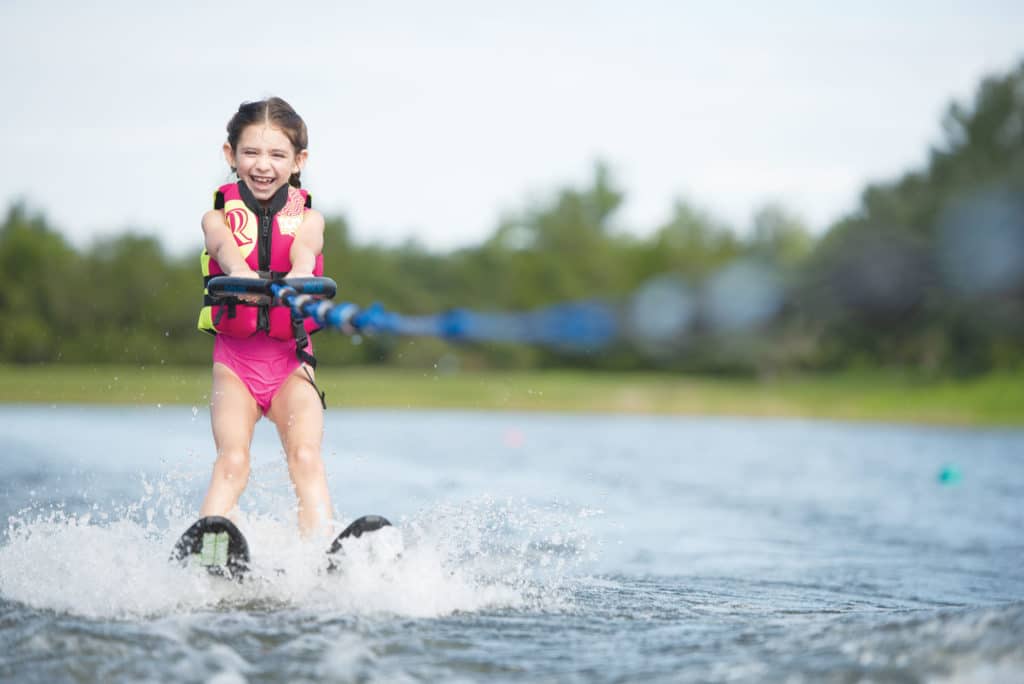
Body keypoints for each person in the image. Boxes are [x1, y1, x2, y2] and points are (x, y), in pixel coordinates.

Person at [196, 97, 333, 537]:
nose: (263, 165)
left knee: (306, 457)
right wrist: (239, 272)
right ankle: (209, 545)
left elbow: (305, 249)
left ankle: (319, 556)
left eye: (277, 155)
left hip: (291, 362)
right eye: (251, 152)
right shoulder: (216, 217)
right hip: (235, 365)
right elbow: (224, 247)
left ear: (298, 161)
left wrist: (298, 275)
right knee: (233, 460)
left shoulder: (309, 219)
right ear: (230, 155)